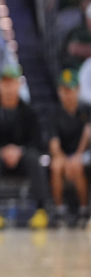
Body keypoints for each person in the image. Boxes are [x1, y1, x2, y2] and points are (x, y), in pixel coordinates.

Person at [0, 64, 50, 229]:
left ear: (19, 85)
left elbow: (36, 141)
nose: (8, 87)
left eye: (12, 83)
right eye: (5, 83)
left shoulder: (29, 111)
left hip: (22, 157)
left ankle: (41, 210)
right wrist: (4, 151)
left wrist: (19, 151)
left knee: (34, 157)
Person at [46, 68, 90, 227]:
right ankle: (59, 211)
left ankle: (84, 210)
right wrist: (65, 161)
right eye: (64, 90)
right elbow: (53, 144)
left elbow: (88, 135)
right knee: (56, 166)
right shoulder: (54, 114)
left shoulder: (87, 110)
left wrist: (77, 156)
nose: (67, 94)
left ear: (78, 89)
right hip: (63, 155)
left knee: (78, 165)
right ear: (59, 91)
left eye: (70, 90)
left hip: (84, 154)